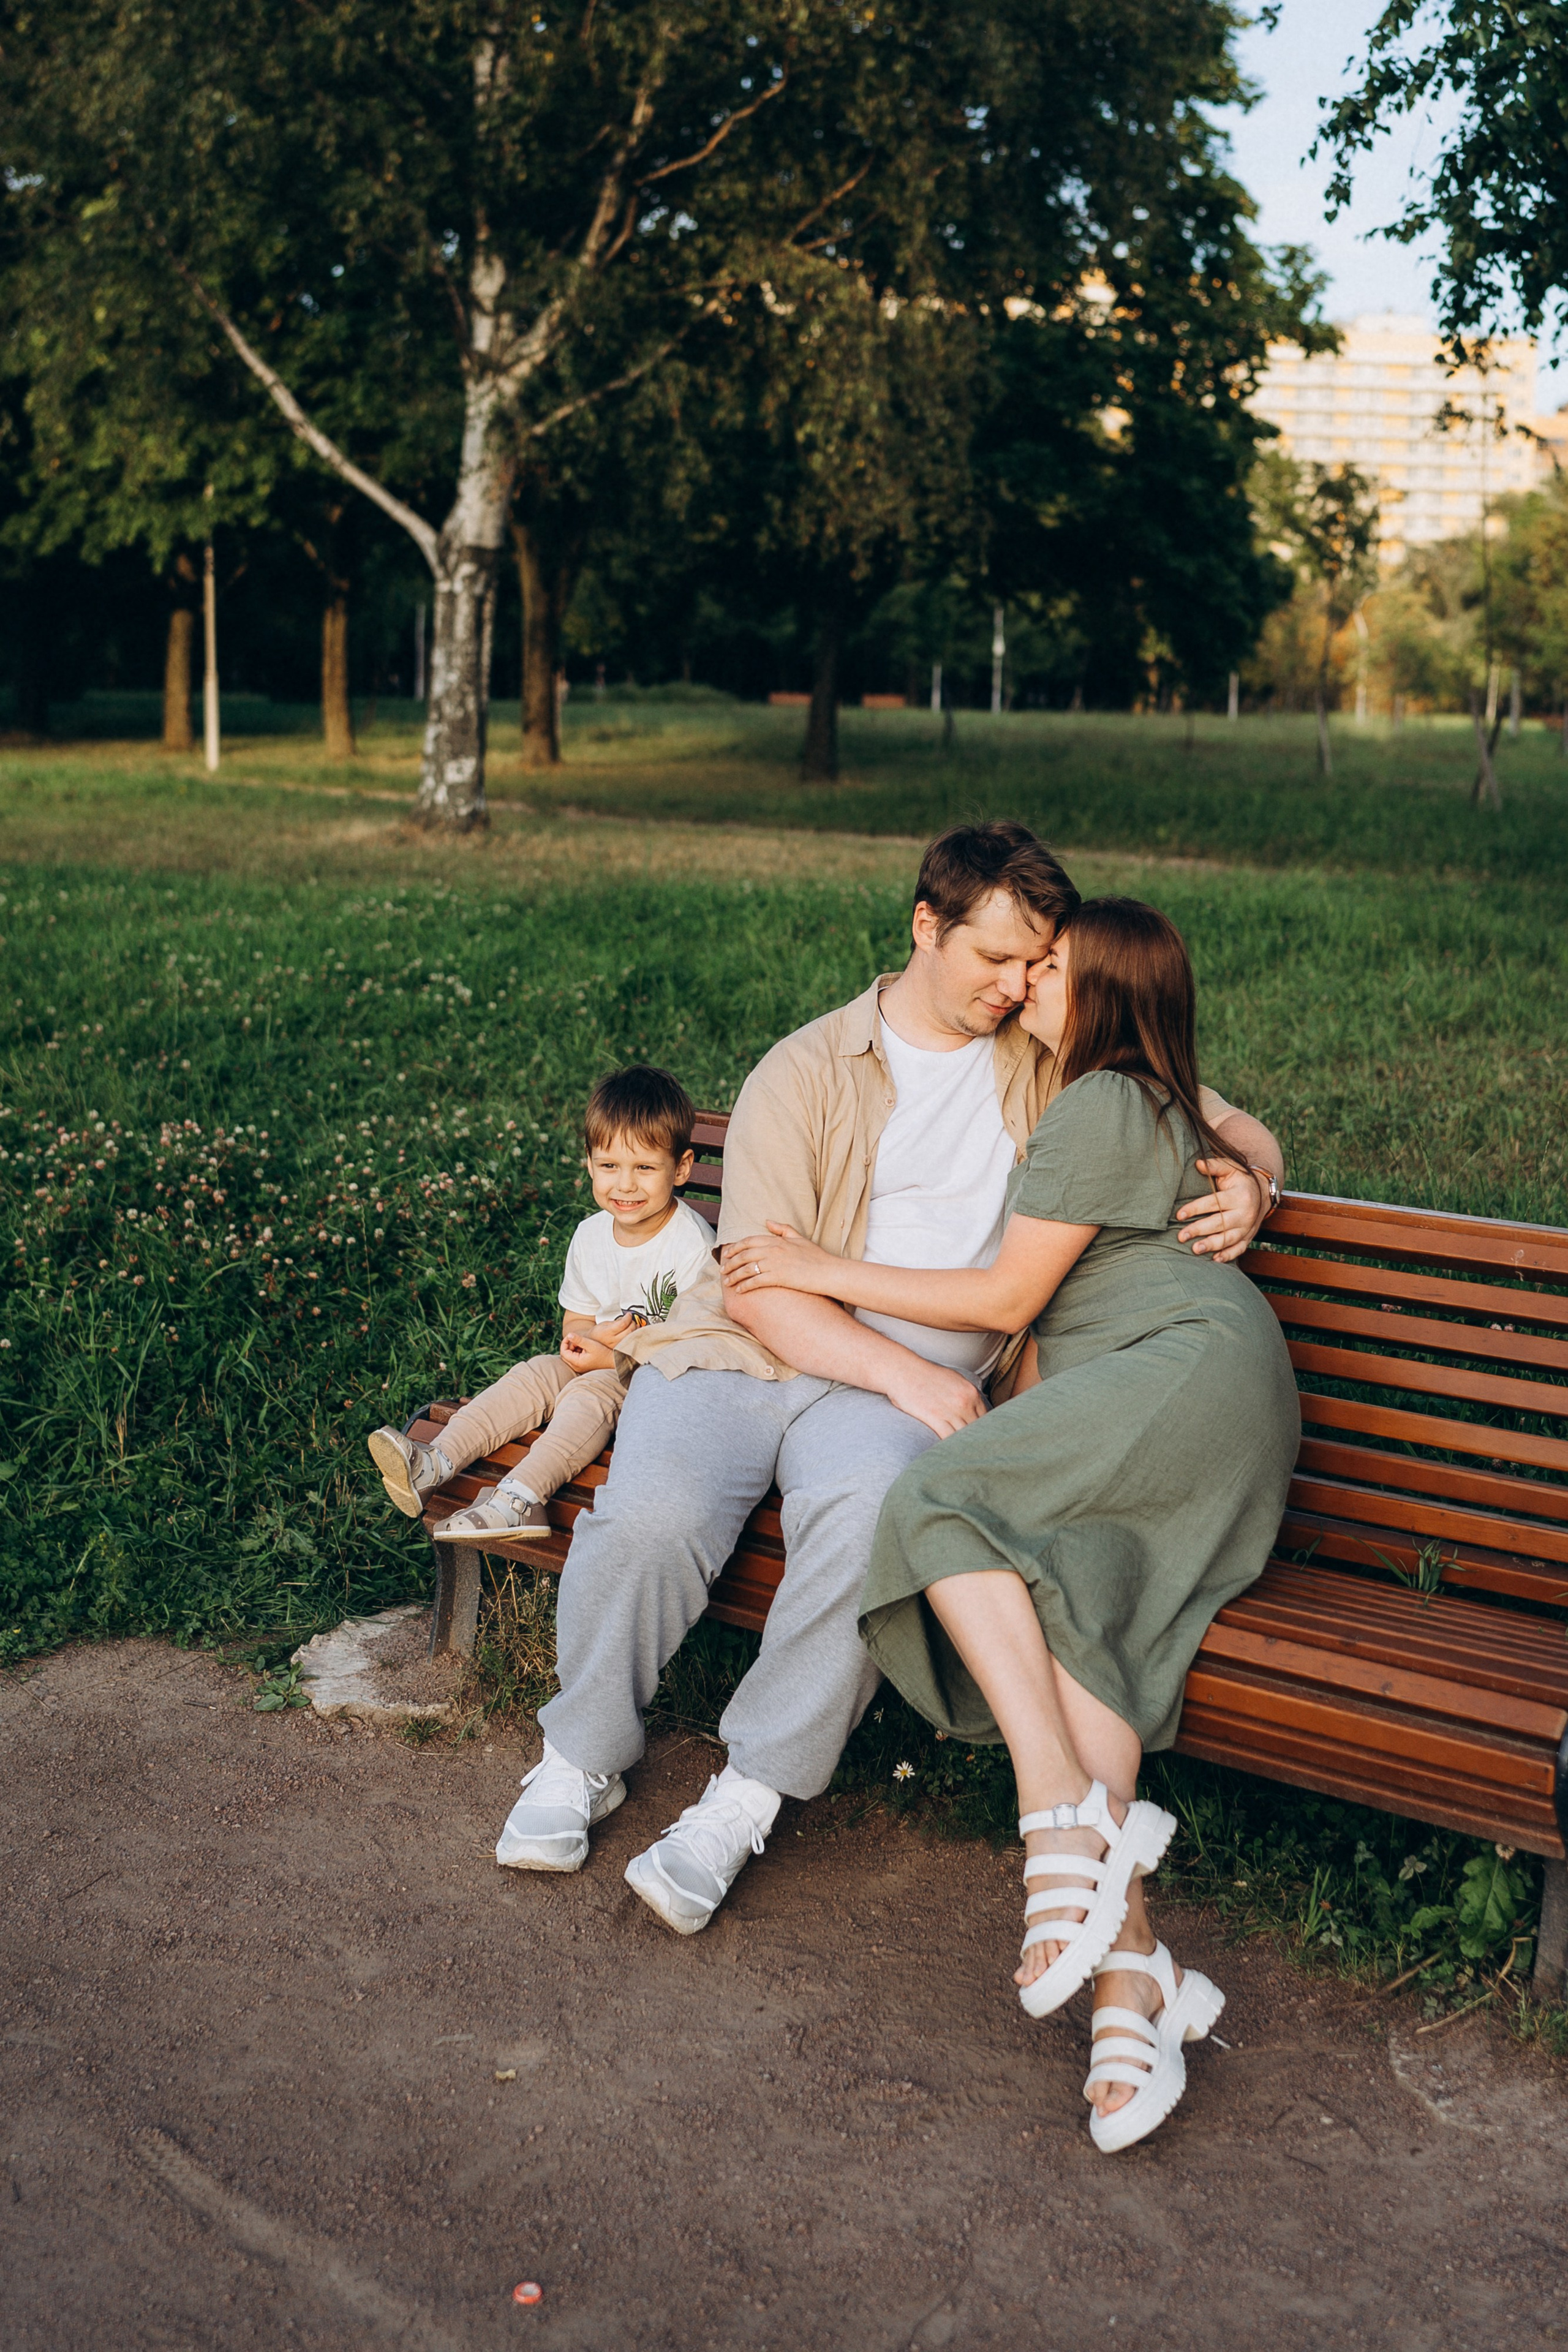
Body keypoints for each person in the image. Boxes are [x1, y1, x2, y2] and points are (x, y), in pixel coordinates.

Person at [491, 824, 1284, 1937]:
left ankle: (746, 1793)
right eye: (994, 959)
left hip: (905, 1395)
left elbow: (1213, 1109)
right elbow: (760, 1286)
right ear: (927, 927)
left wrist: (1255, 1182)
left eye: (1032, 964)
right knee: (653, 1510)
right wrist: (905, 1378)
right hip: (755, 1355)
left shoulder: (1050, 1051)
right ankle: (580, 1754)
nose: (1015, 986)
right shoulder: (806, 1068)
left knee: (873, 1521)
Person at [723, 898, 1300, 2154]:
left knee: (931, 1493)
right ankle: (1133, 1981)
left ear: (1097, 994)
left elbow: (1003, 1295)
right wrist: (1256, 1167)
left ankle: (1056, 1820)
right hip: (1170, 1394)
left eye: (1049, 967)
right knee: (1072, 1616)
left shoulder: (1097, 1097)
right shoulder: (1116, 1082)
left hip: (1178, 1371)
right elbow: (1226, 1127)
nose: (1026, 979)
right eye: (1021, 959)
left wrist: (812, 1267)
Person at [367, 1066, 720, 1546]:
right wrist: (585, 1344)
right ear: (590, 1164)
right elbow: (577, 1319)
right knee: (536, 1372)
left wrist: (612, 1359)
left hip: (655, 1384)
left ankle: (519, 1499)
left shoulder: (692, 1246)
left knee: (588, 1397)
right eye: (610, 1166)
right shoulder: (591, 1236)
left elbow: (693, 1347)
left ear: (681, 1168)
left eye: (645, 1168)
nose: (626, 1185)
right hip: (601, 1362)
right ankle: (435, 1462)